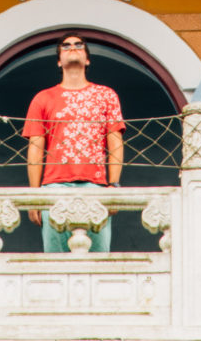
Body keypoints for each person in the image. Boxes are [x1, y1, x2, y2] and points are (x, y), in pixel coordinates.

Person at [22, 31, 125, 252]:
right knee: (55, 260)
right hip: (53, 188)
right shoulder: (43, 98)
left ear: (87, 59)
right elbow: (35, 148)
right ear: (59, 61)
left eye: (79, 45)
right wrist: (34, 195)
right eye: (66, 46)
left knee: (99, 260)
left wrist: (114, 186)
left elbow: (115, 142)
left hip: (96, 186)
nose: (72, 48)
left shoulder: (106, 95)